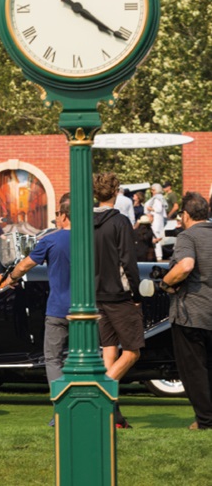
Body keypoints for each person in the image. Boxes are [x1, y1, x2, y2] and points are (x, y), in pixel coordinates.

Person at [6, 194, 71, 415]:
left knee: (53, 359)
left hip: (58, 309)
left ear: (63, 215)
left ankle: (61, 410)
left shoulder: (51, 240)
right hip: (89, 311)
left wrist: (12, 278)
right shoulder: (92, 239)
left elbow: (25, 265)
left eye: (57, 215)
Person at [158, 192, 212, 430]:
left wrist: (166, 283)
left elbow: (186, 265)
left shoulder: (187, 236)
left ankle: (205, 421)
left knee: (194, 371)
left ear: (186, 215)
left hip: (191, 313)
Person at [93, 172, 142, 429]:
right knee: (133, 351)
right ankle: (100, 394)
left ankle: (114, 417)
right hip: (119, 295)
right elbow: (128, 262)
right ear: (116, 192)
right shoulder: (120, 222)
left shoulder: (86, 222)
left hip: (95, 295)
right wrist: (136, 294)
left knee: (109, 352)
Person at [145, 182, 168, 261]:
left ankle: (158, 255)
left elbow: (158, 209)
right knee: (156, 237)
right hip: (157, 220)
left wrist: (150, 209)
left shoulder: (158, 199)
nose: (152, 191)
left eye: (153, 190)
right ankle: (157, 254)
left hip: (156, 221)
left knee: (155, 237)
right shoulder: (159, 198)